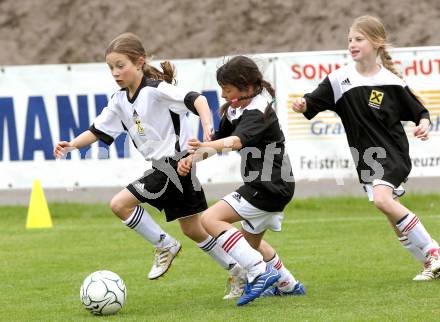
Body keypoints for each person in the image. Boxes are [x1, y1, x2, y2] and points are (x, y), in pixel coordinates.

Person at [53, 32, 245, 294]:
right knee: (193, 229)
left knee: (120, 204)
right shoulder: (120, 100)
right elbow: (98, 130)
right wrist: (72, 144)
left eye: (121, 66)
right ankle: (238, 269)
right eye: (111, 67)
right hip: (165, 168)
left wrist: (207, 124)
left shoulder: (156, 90)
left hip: (176, 165)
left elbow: (196, 98)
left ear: (139, 62)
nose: (115, 72)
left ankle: (164, 244)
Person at [291, 15, 440, 281]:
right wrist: (303, 104)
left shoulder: (392, 83)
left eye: (358, 39)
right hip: (367, 160)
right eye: (349, 40)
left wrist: (423, 125)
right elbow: (311, 101)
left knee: (383, 201)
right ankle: (429, 264)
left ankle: (434, 250)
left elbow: (421, 112)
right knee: (391, 216)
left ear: (377, 43)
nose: (352, 44)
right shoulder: (339, 80)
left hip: (393, 154)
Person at [178, 56, 305, 306]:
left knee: (209, 219)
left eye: (227, 89)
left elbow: (235, 142)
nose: (223, 95)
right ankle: (288, 284)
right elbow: (219, 144)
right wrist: (192, 158)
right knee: (249, 246)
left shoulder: (258, 110)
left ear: (246, 88)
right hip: (273, 185)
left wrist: (205, 145)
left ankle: (260, 272)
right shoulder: (237, 109)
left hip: (267, 185)